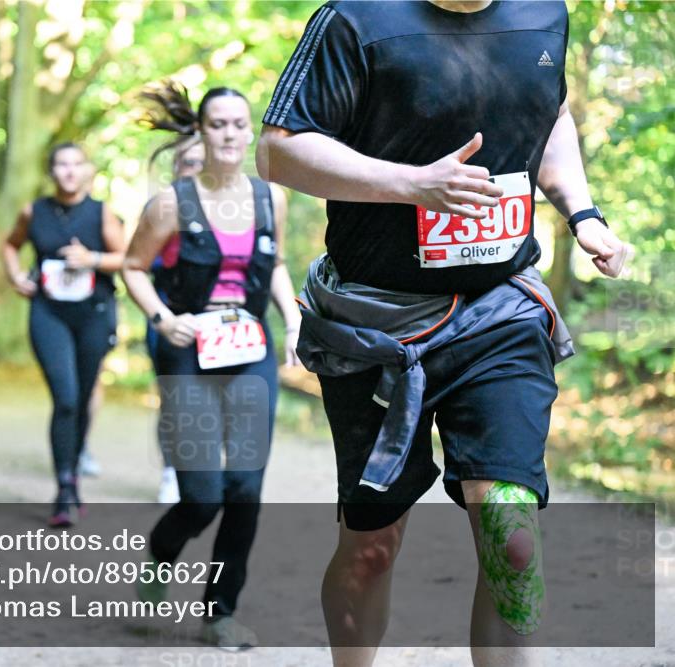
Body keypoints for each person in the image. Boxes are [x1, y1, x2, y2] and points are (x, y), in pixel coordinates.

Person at [256, 2, 632, 665]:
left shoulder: (543, 13)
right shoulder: (354, 19)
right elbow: (278, 150)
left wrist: (583, 212)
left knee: (513, 540)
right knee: (372, 548)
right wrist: (412, 184)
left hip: (499, 313)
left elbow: (552, 113)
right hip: (375, 324)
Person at [123, 81, 302, 650]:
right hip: (188, 353)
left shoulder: (270, 198)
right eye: (217, 124)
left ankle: (219, 613)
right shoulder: (171, 203)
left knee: (245, 488)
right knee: (202, 495)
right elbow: (132, 267)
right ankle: (160, 555)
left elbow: (275, 262)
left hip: (250, 351)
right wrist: (162, 318)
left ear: (251, 133)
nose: (228, 134)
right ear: (201, 133)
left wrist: (292, 317)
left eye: (238, 124)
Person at [3, 143, 125, 527]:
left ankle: (72, 473)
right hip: (49, 314)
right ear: (51, 171)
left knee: (84, 398)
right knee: (66, 398)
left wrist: (92, 259)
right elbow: (10, 245)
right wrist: (15, 276)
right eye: (61, 164)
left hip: (93, 315)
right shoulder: (34, 211)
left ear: (87, 170)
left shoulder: (101, 213)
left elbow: (128, 259)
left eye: (76, 164)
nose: (70, 171)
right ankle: (64, 487)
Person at [143, 131, 206, 503]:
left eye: (203, 162)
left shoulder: (234, 207)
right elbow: (139, 264)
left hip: (216, 323)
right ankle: (171, 470)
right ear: (176, 167)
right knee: (173, 399)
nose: (196, 169)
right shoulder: (161, 207)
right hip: (168, 314)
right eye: (189, 163)